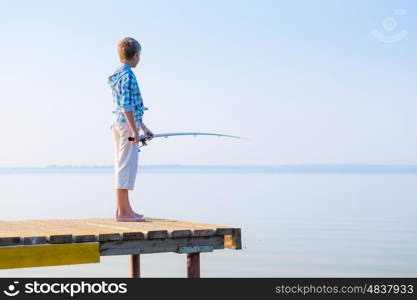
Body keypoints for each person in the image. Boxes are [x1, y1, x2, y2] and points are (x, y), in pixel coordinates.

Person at [107, 37, 154, 222]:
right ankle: (123, 213)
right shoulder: (128, 75)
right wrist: (135, 131)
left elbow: (129, 107)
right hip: (126, 126)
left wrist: (143, 127)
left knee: (122, 166)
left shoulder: (117, 74)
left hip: (120, 124)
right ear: (135, 55)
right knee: (125, 167)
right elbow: (127, 105)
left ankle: (126, 210)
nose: (139, 59)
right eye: (139, 55)